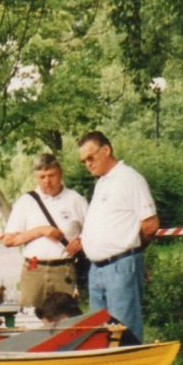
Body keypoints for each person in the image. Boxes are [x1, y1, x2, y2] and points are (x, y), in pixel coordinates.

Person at [73, 131, 158, 340]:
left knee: (124, 332)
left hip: (120, 267)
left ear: (106, 150)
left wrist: (130, 251)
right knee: (99, 334)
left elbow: (150, 225)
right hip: (97, 270)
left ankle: (134, 361)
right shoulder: (102, 182)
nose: (88, 164)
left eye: (91, 157)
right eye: (84, 161)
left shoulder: (129, 178)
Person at [1, 153, 88, 310]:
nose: (47, 181)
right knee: (29, 317)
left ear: (60, 173)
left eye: (51, 175)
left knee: (65, 318)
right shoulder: (26, 202)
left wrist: (81, 241)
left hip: (64, 270)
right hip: (33, 268)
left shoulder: (76, 200)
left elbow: (94, 230)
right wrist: (41, 231)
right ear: (35, 177)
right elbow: (8, 241)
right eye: (42, 177)